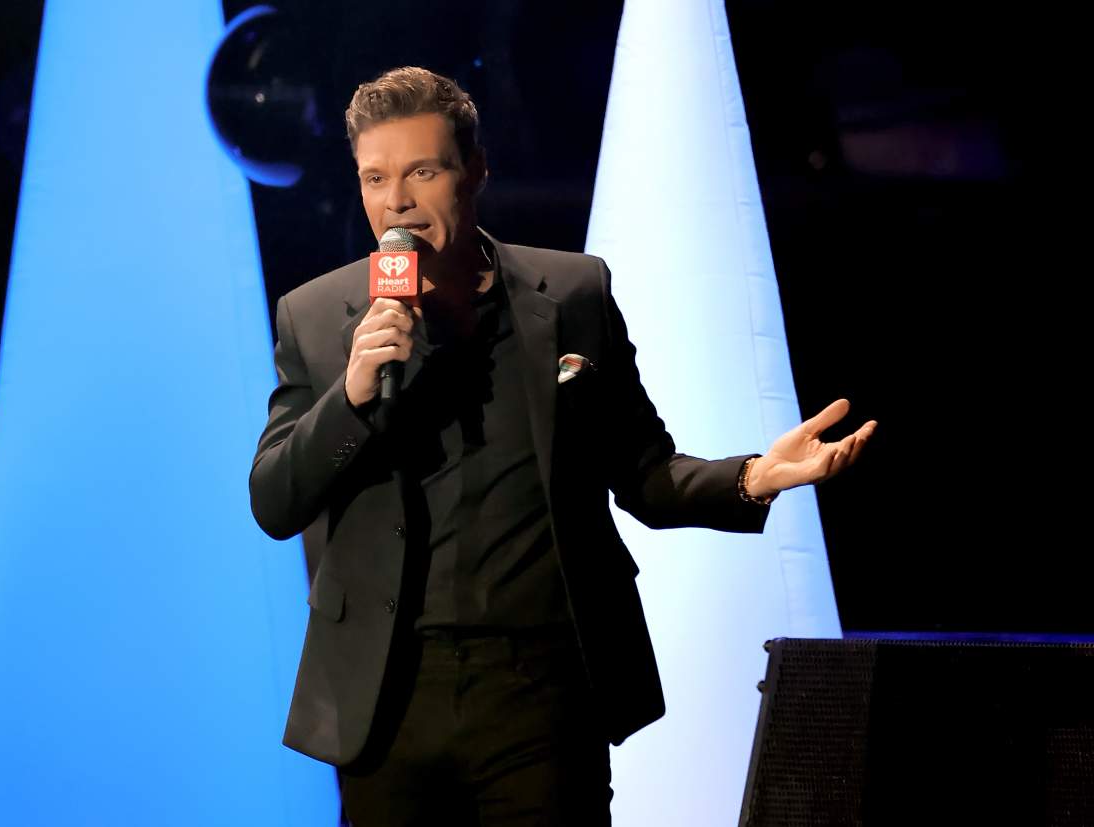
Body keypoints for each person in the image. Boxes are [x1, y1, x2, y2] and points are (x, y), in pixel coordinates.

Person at [249, 66, 876, 826]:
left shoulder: (572, 293)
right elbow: (274, 500)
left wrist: (753, 476)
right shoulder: (317, 316)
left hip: (540, 691)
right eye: (374, 177)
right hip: (386, 698)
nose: (397, 201)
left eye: (423, 171)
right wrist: (351, 396)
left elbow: (645, 474)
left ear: (475, 170)